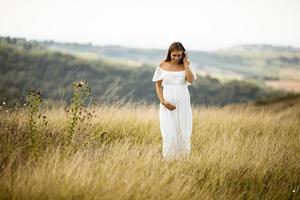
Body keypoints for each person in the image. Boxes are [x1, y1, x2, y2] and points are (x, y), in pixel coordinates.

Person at [152, 42, 197, 160]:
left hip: (183, 102)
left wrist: (185, 63)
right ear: (169, 54)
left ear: (183, 54)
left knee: (183, 133)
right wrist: (163, 101)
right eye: (174, 55)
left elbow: (191, 80)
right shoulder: (162, 65)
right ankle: (168, 161)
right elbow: (158, 86)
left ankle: (183, 161)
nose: (177, 58)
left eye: (179, 55)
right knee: (169, 133)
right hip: (167, 103)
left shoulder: (186, 64)